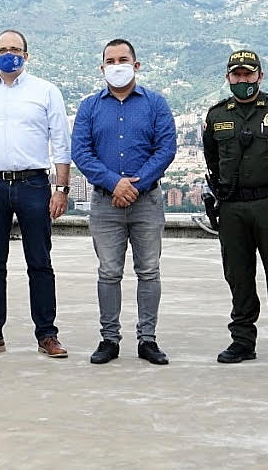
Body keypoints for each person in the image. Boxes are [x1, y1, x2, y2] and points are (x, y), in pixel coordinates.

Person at [0, 29, 72, 359]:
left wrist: (61, 189)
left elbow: (61, 145)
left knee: (40, 261)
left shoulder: (46, 92)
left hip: (34, 184)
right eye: (3, 49)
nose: (10, 54)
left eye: (16, 49)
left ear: (27, 55)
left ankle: (47, 334)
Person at [71, 39, 177, 365]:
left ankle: (148, 339)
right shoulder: (89, 107)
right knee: (108, 272)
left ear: (136, 65)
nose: (117, 65)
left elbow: (166, 148)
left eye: (123, 59)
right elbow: (81, 153)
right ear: (102, 67)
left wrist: (135, 184)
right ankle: (109, 339)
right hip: (105, 203)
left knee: (148, 271)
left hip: (147, 201)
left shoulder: (156, 104)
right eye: (111, 60)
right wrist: (113, 183)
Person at [202, 50, 268, 368]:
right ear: (228, 78)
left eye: (248, 74)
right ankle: (242, 341)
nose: (242, 80)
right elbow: (213, 159)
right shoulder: (217, 115)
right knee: (238, 276)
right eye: (237, 75)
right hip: (233, 206)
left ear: (260, 76)